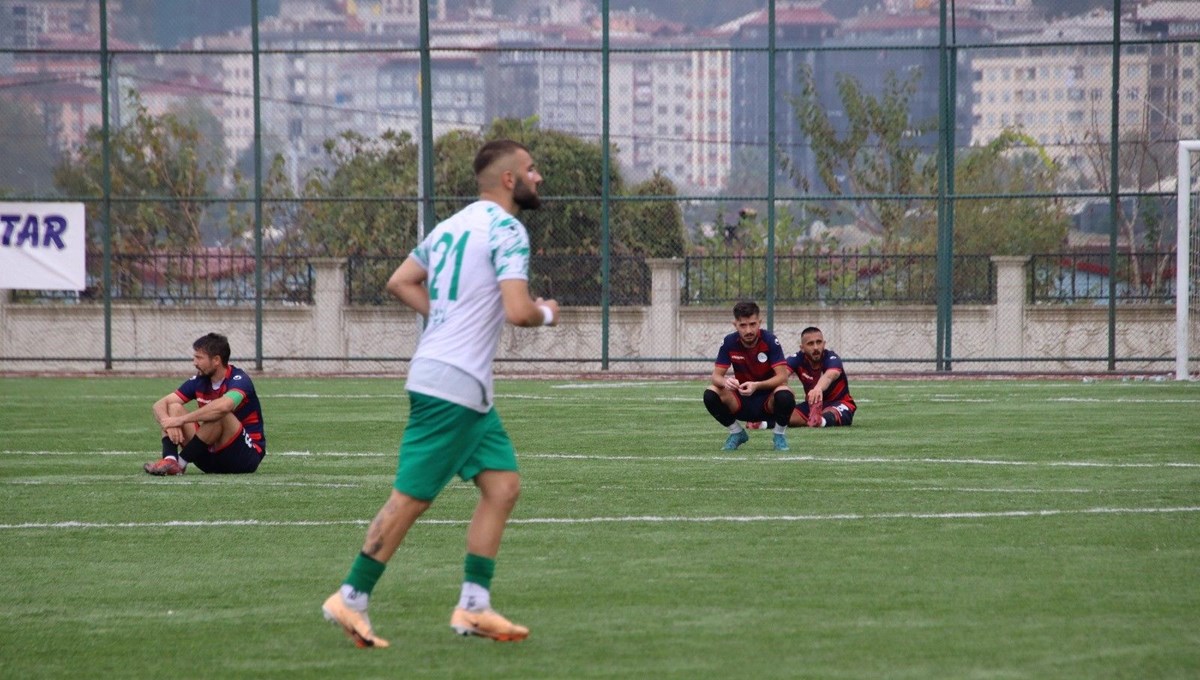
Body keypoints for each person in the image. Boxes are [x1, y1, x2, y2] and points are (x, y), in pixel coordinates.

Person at [321, 139, 559, 648]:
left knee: (503, 486)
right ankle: (351, 597)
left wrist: (446, 318)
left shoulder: (451, 226)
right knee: (410, 499)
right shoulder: (508, 229)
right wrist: (548, 312)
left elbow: (401, 281)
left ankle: (474, 606)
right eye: (532, 168)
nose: (539, 177)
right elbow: (519, 311)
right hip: (452, 384)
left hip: (460, 384)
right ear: (510, 180)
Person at [143, 332, 266, 475]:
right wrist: (168, 423)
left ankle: (180, 462)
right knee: (174, 407)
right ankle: (171, 461)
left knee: (221, 413)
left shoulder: (240, 379)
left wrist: (179, 420)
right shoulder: (199, 380)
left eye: (199, 358)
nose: (194, 362)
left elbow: (224, 407)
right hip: (209, 456)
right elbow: (159, 404)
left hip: (243, 458)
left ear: (216, 360)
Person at [703, 300, 795, 451]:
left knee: (785, 394)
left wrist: (757, 385)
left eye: (752, 324)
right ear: (735, 325)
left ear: (759, 322)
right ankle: (736, 432)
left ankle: (779, 435)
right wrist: (726, 382)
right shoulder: (729, 342)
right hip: (740, 400)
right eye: (743, 325)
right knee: (710, 393)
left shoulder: (770, 341)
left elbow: (782, 377)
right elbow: (716, 376)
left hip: (768, 402)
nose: (748, 330)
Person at [786, 326, 857, 428]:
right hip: (813, 404)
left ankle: (819, 421)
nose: (815, 347)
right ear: (802, 348)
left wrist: (818, 388)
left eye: (819, 342)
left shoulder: (832, 358)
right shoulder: (797, 359)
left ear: (824, 344)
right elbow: (781, 374)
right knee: (789, 417)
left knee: (830, 413)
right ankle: (762, 423)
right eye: (810, 344)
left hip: (840, 402)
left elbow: (830, 375)